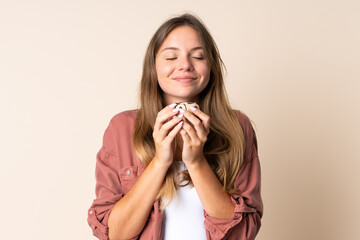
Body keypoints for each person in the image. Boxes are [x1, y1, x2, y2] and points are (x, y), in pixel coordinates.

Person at [87, 13, 263, 240]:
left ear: (211, 67)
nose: (185, 65)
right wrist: (160, 161)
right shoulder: (122, 129)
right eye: (171, 57)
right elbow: (115, 234)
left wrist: (196, 161)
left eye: (198, 56)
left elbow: (242, 234)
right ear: (154, 66)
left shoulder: (237, 127)